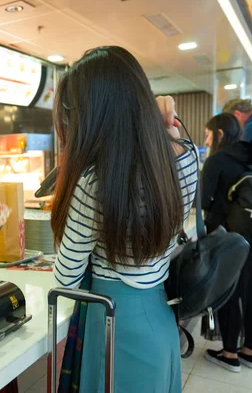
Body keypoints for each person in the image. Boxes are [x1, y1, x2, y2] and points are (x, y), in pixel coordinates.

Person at [52, 46, 198, 392]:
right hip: (160, 315)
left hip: (113, 324)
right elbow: (166, 143)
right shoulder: (186, 159)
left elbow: (65, 279)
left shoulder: (94, 181)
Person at [201, 113, 252, 372]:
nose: (206, 139)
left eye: (207, 134)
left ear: (219, 134)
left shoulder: (218, 160)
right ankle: (250, 350)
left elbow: (202, 203)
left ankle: (229, 354)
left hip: (228, 238)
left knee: (228, 291)